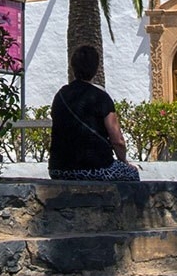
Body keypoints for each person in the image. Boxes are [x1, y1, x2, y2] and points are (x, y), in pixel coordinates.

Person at [47, 47, 139, 183]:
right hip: (95, 168)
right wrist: (123, 161)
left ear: (73, 67)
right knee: (132, 174)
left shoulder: (60, 95)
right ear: (95, 69)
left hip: (59, 170)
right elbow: (118, 140)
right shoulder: (101, 98)